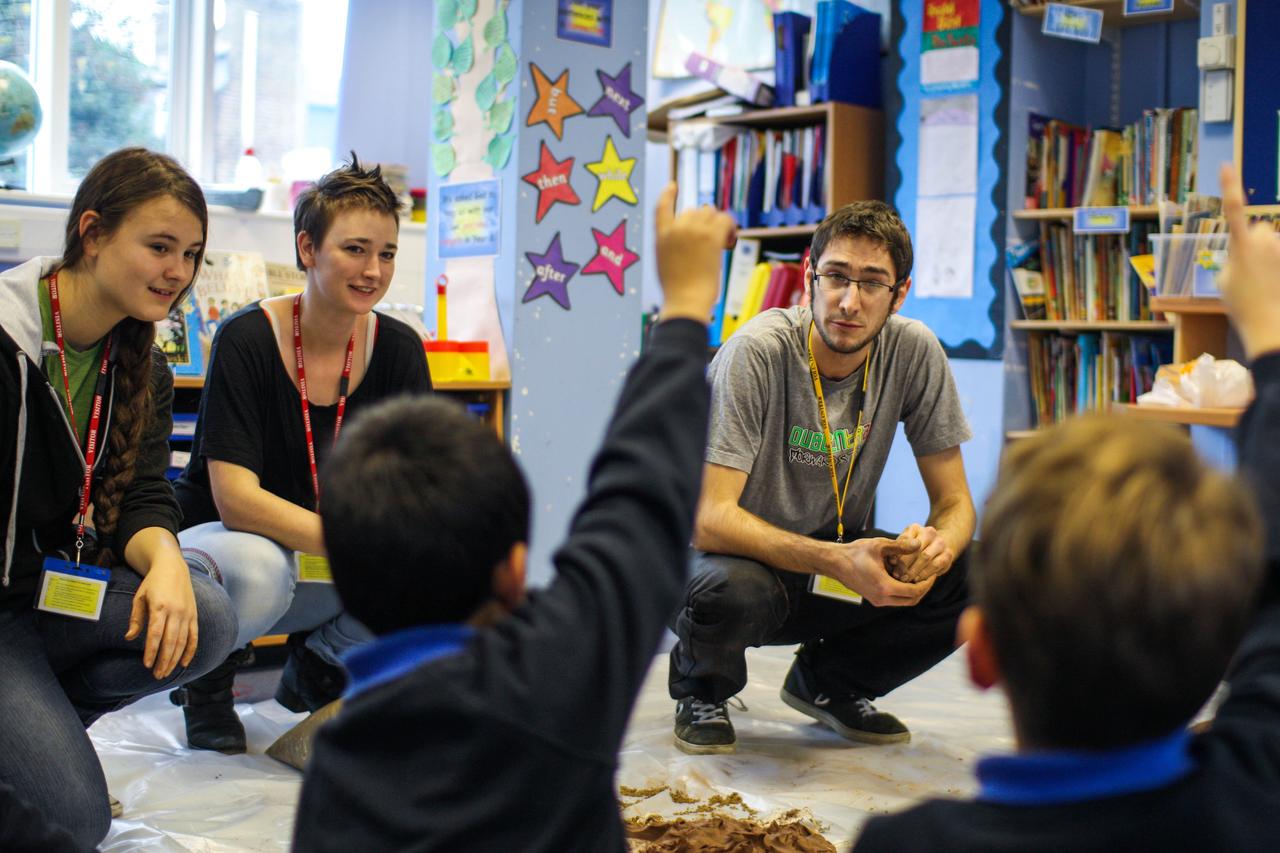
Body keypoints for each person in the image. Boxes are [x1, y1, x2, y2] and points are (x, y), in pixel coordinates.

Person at [290, 185, 733, 851]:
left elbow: (634, 512)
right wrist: (684, 310)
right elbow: (637, 504)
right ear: (515, 569)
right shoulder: (558, 676)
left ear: (346, 586)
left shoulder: (336, 770)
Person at [853, 162, 1280, 851]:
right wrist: (1271, 339)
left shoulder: (904, 843)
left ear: (980, 650)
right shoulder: (1252, 806)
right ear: (1217, 658)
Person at [668, 200, 975, 754]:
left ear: (899, 294)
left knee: (972, 568)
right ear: (810, 276)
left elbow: (955, 502)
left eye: (872, 283)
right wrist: (837, 560)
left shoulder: (914, 351)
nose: (849, 301)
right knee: (732, 590)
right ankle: (702, 688)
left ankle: (830, 682)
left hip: (824, 567)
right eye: (835, 276)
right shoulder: (756, 353)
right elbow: (709, 520)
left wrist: (937, 548)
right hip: (719, 561)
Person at [0, 147, 238, 847]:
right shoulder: (9, 338)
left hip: (46, 595)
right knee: (74, 822)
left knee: (210, 617)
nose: (178, 272)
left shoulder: (137, 359)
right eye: (160, 246)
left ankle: (35, 730)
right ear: (93, 233)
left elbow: (141, 494)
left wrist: (166, 561)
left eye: (191, 254)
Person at [170, 154, 432, 754]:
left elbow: (421, 488)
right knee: (259, 569)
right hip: (232, 549)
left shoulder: (398, 351)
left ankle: (317, 663)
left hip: (327, 555)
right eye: (355, 249)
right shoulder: (246, 339)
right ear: (308, 250)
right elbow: (236, 501)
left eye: (387, 254)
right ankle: (207, 686)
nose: (373, 271)